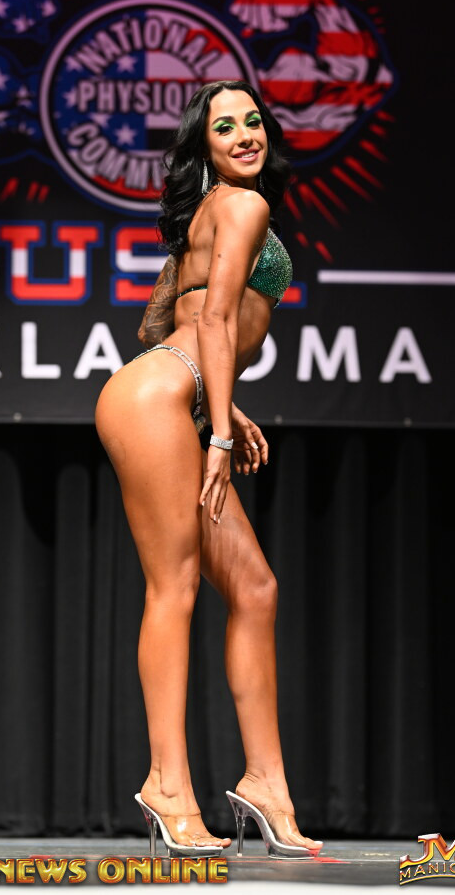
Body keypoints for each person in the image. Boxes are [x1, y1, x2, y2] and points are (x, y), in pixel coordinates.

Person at [94, 80, 322, 860]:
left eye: (254, 121)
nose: (246, 134)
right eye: (226, 127)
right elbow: (216, 319)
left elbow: (160, 323)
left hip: (170, 390)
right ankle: (168, 785)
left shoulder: (206, 214)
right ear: (204, 145)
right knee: (176, 588)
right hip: (164, 400)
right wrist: (219, 432)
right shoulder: (243, 206)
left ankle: (267, 784)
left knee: (255, 589)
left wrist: (218, 403)